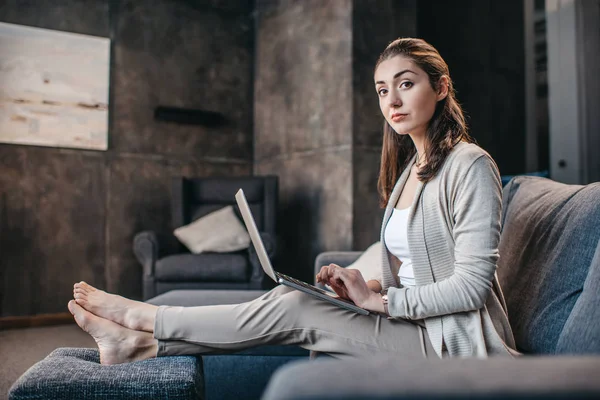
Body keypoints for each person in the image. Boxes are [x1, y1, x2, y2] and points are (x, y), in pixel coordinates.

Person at [69, 38, 517, 365]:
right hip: (412, 327)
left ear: (440, 88)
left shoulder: (470, 165)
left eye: (405, 83)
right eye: (382, 90)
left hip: (452, 347)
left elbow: (471, 286)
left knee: (295, 307)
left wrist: (380, 303)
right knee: (292, 294)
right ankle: (140, 345)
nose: (392, 100)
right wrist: (363, 285)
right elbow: (415, 268)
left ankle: (143, 317)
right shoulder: (408, 172)